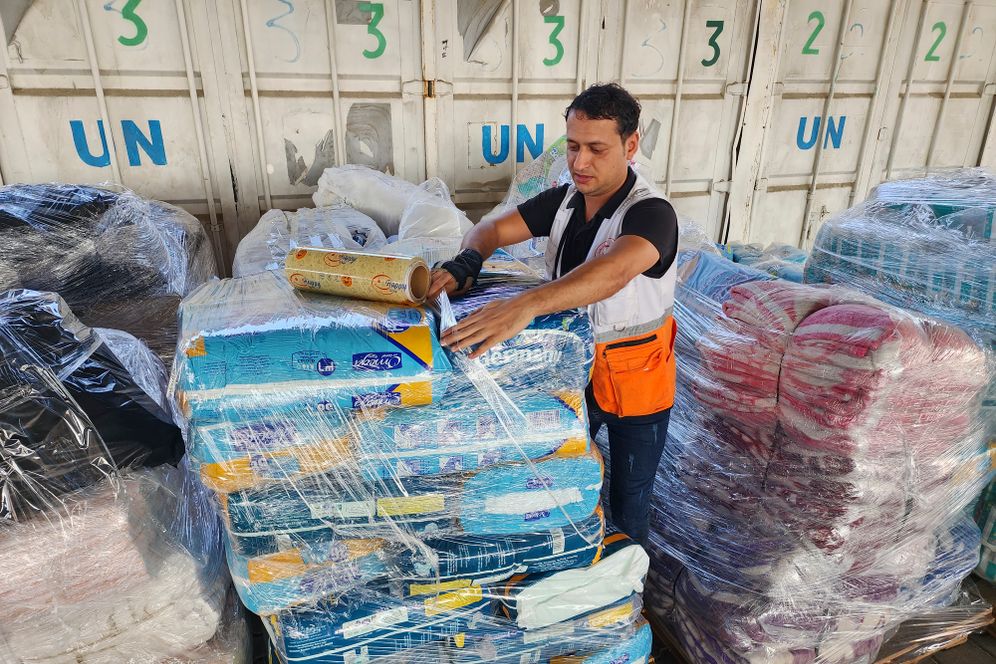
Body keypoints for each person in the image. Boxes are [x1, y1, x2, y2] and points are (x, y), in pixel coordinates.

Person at [428, 83, 678, 546]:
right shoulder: (565, 201)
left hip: (634, 386)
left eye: (596, 150)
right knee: (557, 480)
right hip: (569, 375)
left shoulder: (651, 213)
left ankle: (625, 593)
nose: (580, 163)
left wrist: (525, 305)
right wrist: (469, 260)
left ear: (630, 145)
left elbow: (615, 271)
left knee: (629, 499)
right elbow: (490, 227)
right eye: (573, 146)